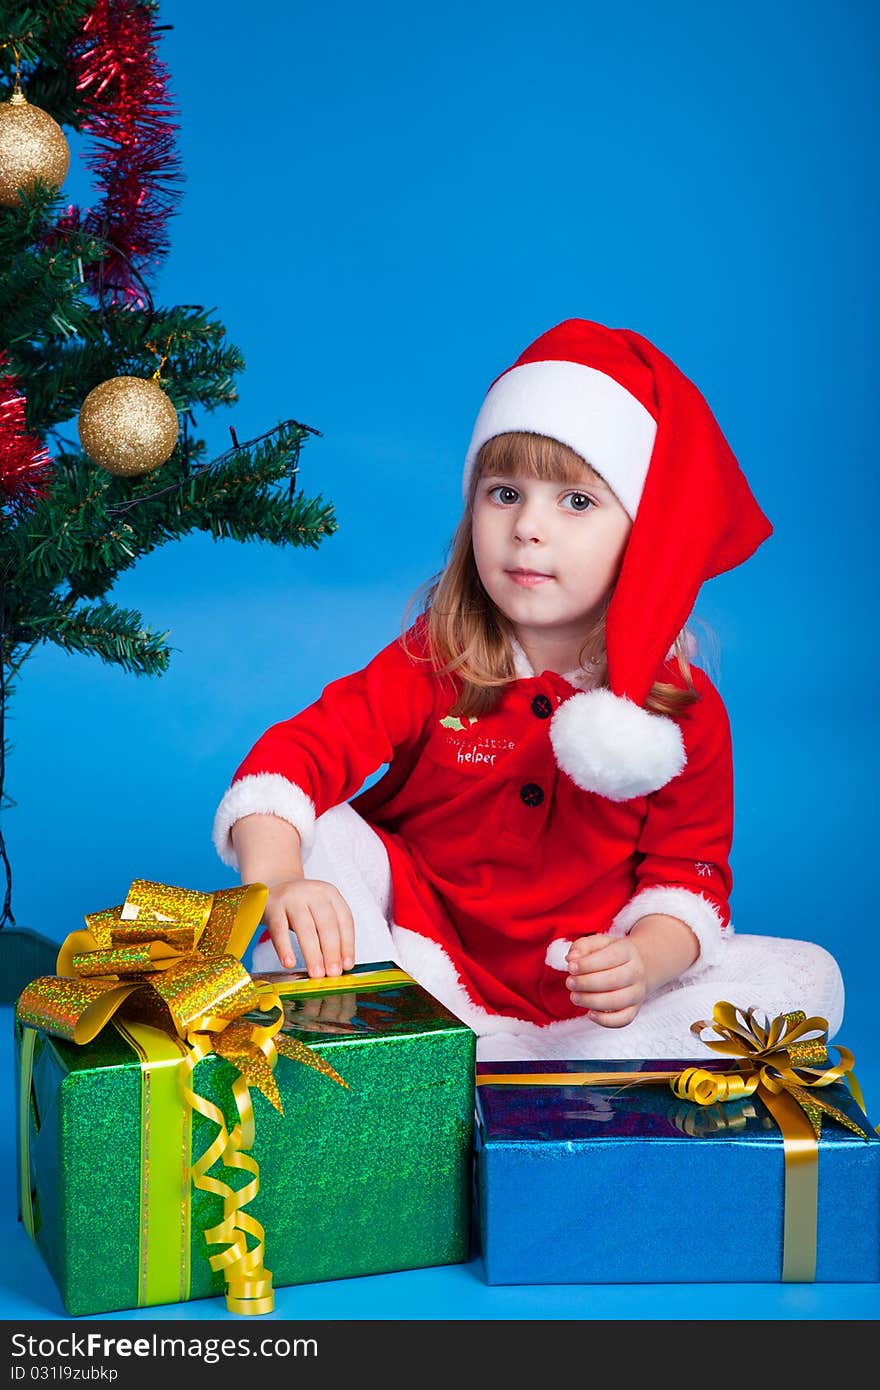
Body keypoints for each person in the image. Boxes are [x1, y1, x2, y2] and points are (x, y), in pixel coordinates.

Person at [212, 319, 843, 1060]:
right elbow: (295, 757)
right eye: (504, 492)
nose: (527, 529)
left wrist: (642, 961)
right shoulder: (435, 660)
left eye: (576, 502)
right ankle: (428, 1052)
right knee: (325, 832)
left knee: (812, 980)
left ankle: (547, 1069)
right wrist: (281, 879)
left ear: (642, 536)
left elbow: (690, 881)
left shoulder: (683, 711)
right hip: (423, 969)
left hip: (585, 1007)